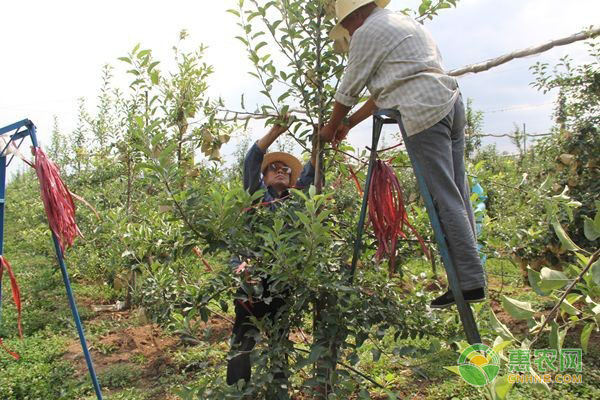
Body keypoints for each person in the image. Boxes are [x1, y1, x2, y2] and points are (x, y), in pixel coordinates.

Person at [320, 0, 486, 308]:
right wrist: (348, 123)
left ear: (354, 16)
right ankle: (470, 278)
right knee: (458, 194)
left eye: (346, 25)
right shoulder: (400, 21)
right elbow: (380, 93)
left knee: (443, 198)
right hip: (448, 102)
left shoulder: (367, 32)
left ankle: (470, 282)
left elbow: (347, 90)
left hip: (422, 111)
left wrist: (329, 128)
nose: (348, 32)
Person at [226, 117, 315, 395]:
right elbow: (252, 161)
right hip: (250, 277)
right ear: (264, 177)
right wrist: (276, 131)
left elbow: (312, 173)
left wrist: (323, 144)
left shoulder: (296, 203)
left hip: (282, 279)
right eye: (273, 168)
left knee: (279, 338)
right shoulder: (255, 197)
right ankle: (238, 390)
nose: (280, 171)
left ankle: (279, 390)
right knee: (243, 337)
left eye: (286, 170)